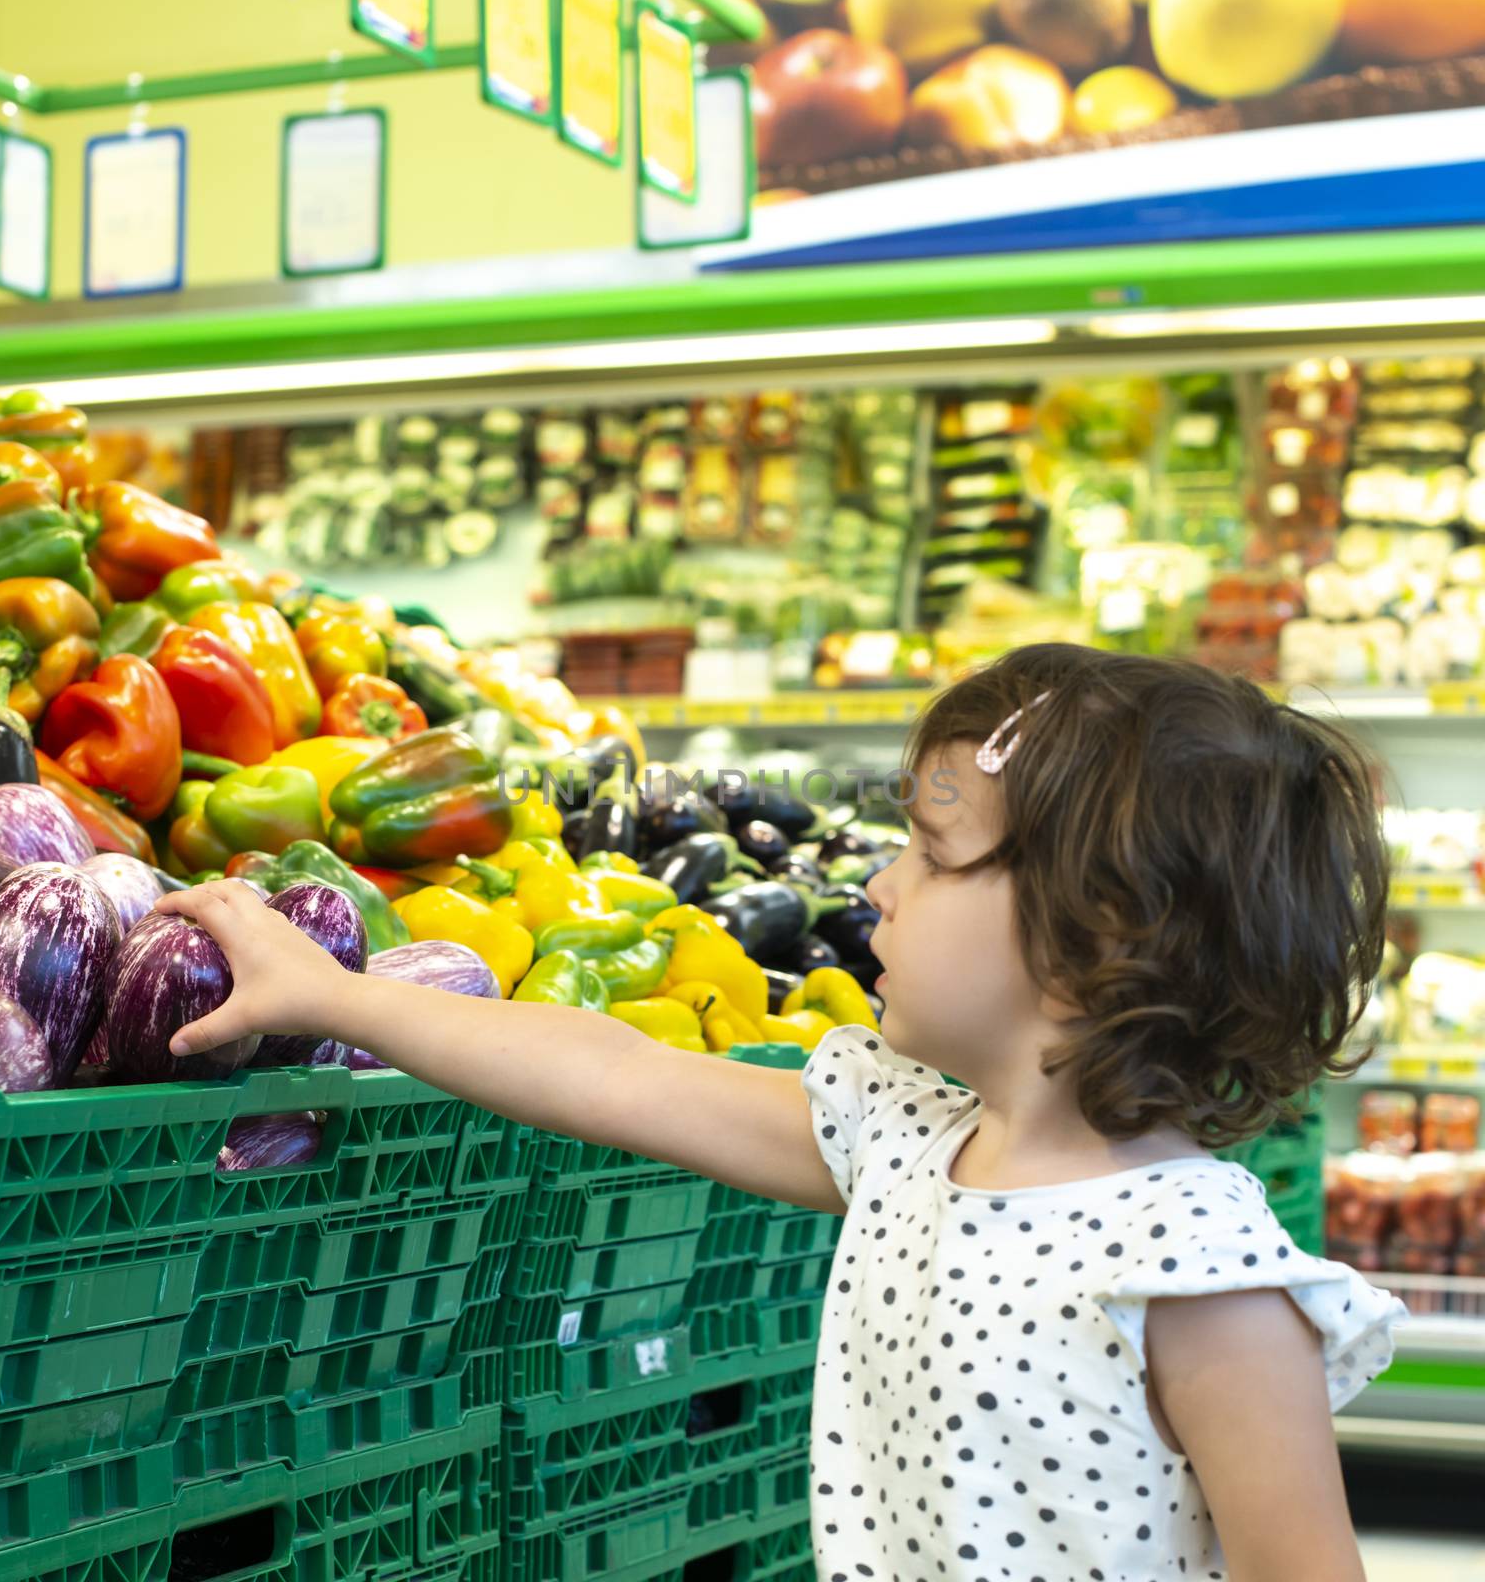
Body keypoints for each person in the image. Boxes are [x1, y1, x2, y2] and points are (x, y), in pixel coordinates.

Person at [158, 643, 1404, 1582]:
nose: (877, 880)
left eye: (928, 846)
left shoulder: (1197, 1272)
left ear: (1100, 932)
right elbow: (609, 1073)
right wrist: (341, 997)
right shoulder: (905, 1136)